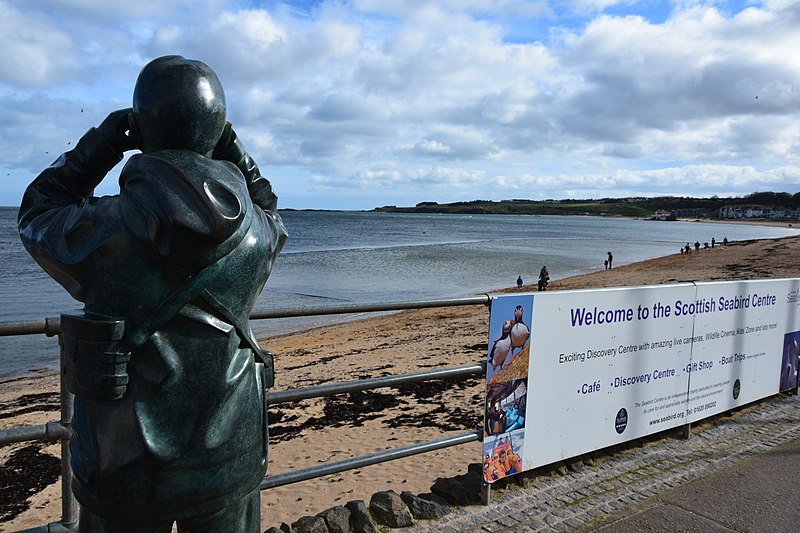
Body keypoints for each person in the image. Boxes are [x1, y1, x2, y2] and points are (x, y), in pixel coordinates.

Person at [18, 56, 287, 533]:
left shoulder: (102, 230)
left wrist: (99, 146)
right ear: (220, 129)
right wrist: (235, 151)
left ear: (139, 128)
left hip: (123, 464)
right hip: (230, 452)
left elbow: (37, 212)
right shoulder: (257, 235)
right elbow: (269, 207)